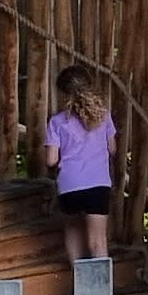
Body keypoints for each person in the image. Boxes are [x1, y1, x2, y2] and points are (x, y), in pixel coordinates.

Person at [45, 65, 118, 263]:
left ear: (63, 93)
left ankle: (78, 285)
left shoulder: (57, 122)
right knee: (98, 241)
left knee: (73, 230)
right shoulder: (103, 116)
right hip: (98, 183)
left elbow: (51, 159)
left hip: (70, 185)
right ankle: (101, 290)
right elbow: (112, 148)